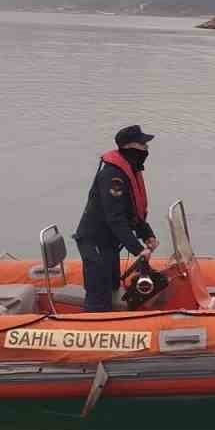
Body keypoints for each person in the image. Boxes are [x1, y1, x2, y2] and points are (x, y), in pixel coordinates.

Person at [74, 124, 159, 312]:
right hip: (95, 242)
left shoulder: (129, 171)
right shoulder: (113, 177)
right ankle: (94, 326)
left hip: (108, 243)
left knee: (113, 286)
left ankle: (115, 320)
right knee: (99, 294)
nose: (147, 149)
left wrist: (147, 234)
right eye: (143, 145)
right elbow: (115, 218)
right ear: (130, 147)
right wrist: (138, 250)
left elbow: (132, 211)